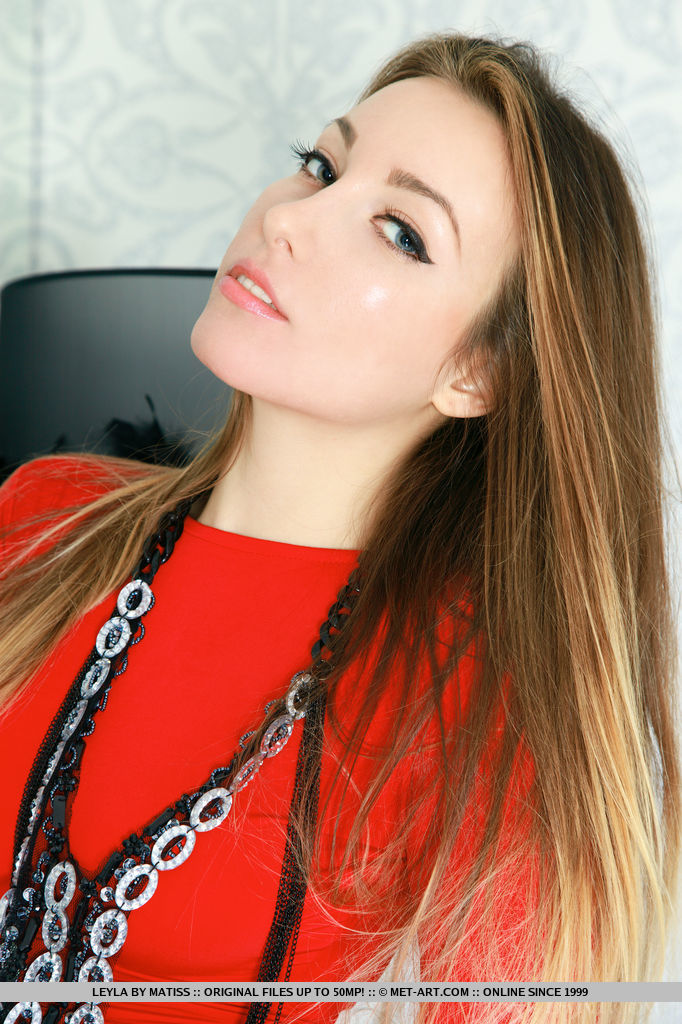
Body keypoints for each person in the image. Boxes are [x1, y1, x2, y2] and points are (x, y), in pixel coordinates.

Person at [0, 30, 679, 1024]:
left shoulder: (478, 709)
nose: (289, 217)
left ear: (477, 372)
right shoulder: (39, 515)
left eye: (400, 231)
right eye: (320, 166)